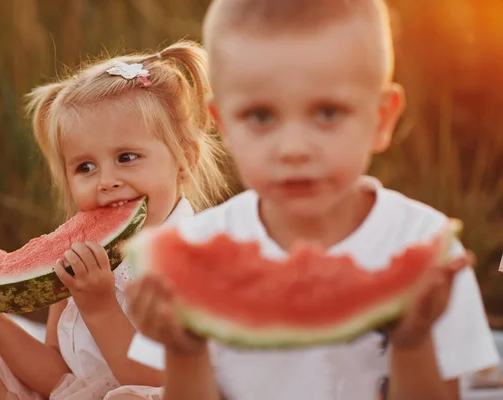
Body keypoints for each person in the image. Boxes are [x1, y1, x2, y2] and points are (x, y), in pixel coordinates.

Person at [125, 1, 501, 399]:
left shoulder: (425, 246)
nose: (294, 148)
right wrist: (185, 352)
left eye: (327, 112)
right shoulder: (195, 251)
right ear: (224, 126)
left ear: (382, 118)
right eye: (260, 116)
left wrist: (412, 344)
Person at [0, 39, 231, 400]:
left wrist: (100, 308)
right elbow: (58, 376)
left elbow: (159, 380)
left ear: (185, 159)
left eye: (127, 157)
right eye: (85, 167)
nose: (106, 181)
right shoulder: (80, 256)